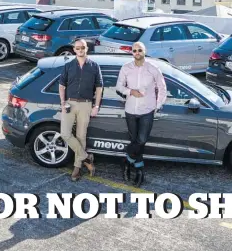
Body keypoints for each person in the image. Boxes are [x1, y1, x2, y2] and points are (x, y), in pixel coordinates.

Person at [115, 41, 167, 186]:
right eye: (134, 51)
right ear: (132, 52)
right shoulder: (126, 68)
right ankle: (139, 170)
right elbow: (119, 86)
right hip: (130, 110)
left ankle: (126, 161)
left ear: (145, 51)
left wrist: (157, 106)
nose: (137, 53)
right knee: (135, 142)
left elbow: (162, 89)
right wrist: (130, 91)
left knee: (141, 141)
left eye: (140, 50)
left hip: (147, 111)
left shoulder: (153, 69)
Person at [58, 38, 104, 181]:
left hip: (86, 104)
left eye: (82, 47)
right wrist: (63, 102)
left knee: (81, 137)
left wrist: (96, 106)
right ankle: (86, 157)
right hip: (70, 104)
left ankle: (77, 169)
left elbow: (99, 87)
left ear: (86, 48)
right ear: (74, 50)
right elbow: (62, 85)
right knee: (65, 133)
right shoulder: (69, 65)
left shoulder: (94, 66)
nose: (80, 50)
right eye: (77, 48)